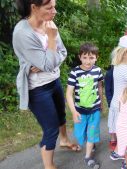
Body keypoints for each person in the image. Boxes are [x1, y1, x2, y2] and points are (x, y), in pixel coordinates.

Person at [13, 1, 79, 169]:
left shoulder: (49, 24)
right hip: (37, 89)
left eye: (54, 6)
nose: (54, 11)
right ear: (34, 7)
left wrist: (47, 61)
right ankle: (48, 166)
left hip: (53, 80)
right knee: (51, 129)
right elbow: (49, 63)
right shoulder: (22, 33)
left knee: (61, 115)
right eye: (49, 8)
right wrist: (51, 40)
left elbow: (62, 53)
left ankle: (64, 141)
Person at [65, 43, 103, 169]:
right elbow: (69, 94)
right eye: (85, 57)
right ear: (80, 57)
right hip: (80, 110)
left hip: (95, 109)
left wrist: (101, 102)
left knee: (92, 132)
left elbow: (99, 87)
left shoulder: (98, 71)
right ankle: (89, 141)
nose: (88, 61)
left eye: (91, 58)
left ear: (96, 58)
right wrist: (73, 111)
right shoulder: (74, 73)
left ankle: (88, 157)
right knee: (80, 135)